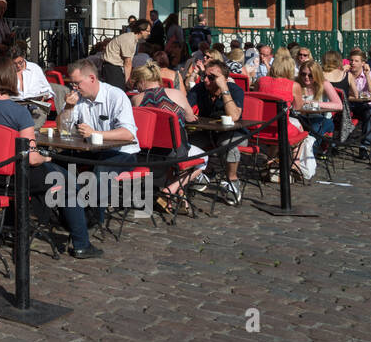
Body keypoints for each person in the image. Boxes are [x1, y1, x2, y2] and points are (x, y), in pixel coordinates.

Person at [47, 59, 140, 258]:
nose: (74, 87)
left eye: (77, 83)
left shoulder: (116, 96)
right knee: (54, 163)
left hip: (123, 152)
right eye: (72, 84)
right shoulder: (79, 98)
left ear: (92, 78)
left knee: (98, 175)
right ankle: (67, 213)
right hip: (91, 152)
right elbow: (63, 128)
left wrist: (95, 132)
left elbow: (128, 134)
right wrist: (69, 108)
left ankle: (88, 220)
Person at [130, 62, 202, 213]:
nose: (137, 87)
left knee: (179, 159)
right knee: (204, 160)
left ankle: (170, 199)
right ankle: (170, 190)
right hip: (175, 152)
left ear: (142, 81)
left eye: (137, 83)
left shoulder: (136, 100)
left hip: (148, 153)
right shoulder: (176, 94)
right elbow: (190, 117)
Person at [187, 59, 247, 206]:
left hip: (234, 132)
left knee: (228, 145)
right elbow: (185, 106)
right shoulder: (200, 88)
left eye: (212, 77)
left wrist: (224, 89)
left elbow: (234, 117)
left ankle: (232, 182)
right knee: (185, 143)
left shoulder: (235, 90)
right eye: (205, 76)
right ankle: (199, 175)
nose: (206, 80)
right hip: (208, 132)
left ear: (223, 79)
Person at [343, 48, 371, 158]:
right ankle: (337, 141)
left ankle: (364, 146)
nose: (353, 63)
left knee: (370, 110)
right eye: (351, 60)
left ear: (363, 63)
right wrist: (342, 72)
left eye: (356, 61)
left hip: (363, 105)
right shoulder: (345, 74)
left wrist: (367, 74)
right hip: (348, 104)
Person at [8, 44, 57, 126]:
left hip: (35, 108)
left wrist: (43, 97)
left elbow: (49, 91)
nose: (18, 66)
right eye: (14, 63)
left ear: (24, 57)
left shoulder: (35, 69)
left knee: (33, 128)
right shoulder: (7, 70)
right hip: (14, 109)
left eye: (20, 62)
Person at [102, 19, 150, 90]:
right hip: (112, 68)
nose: (149, 33)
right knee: (118, 92)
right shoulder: (129, 39)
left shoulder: (132, 38)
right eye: (147, 31)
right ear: (141, 30)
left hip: (113, 67)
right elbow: (128, 62)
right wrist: (127, 80)